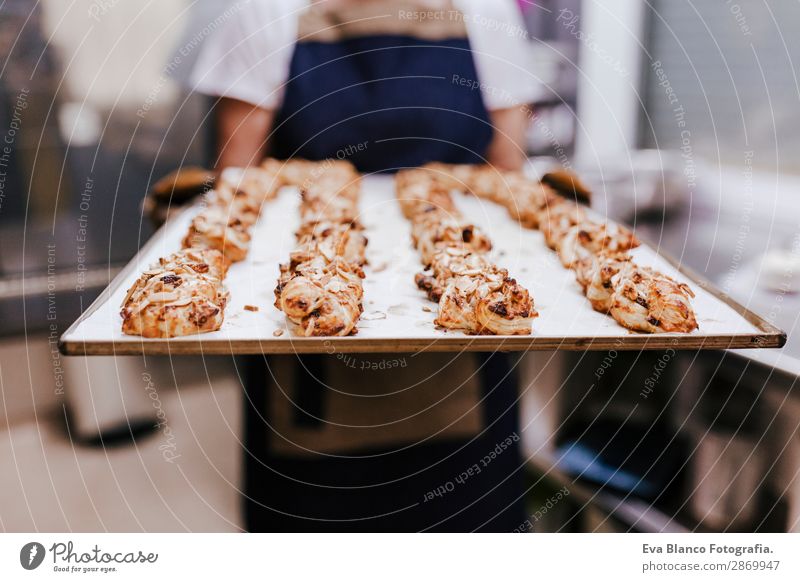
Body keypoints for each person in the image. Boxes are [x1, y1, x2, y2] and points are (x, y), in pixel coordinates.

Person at [191, 0, 540, 532]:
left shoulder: (486, 9)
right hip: (306, 334)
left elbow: (505, 173)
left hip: (471, 324)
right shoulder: (263, 9)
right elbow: (241, 180)